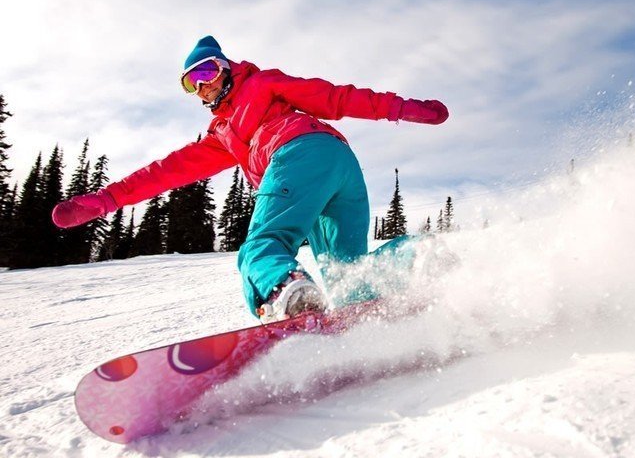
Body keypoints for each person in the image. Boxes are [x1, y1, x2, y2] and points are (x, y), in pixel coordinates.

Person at [52, 36, 448, 323]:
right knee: (348, 277)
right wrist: (107, 199)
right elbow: (164, 172)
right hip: (340, 166)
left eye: (207, 71)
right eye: (192, 83)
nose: (202, 84)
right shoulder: (221, 136)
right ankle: (419, 258)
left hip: (299, 152)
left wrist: (400, 108)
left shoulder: (261, 84)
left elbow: (336, 98)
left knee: (261, 247)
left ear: (226, 68)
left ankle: (284, 292)